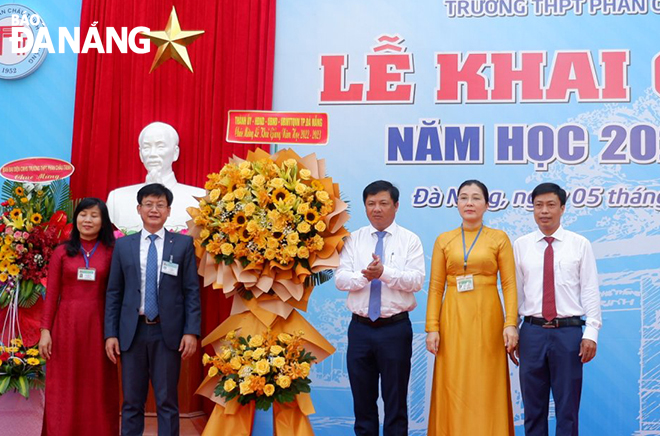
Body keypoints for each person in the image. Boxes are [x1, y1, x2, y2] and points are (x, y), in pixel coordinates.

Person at [104, 183, 201, 436]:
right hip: (132, 333)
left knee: (167, 401)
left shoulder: (182, 245)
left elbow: (191, 291)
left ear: (168, 211)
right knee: (131, 402)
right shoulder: (124, 246)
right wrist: (110, 334)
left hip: (167, 334)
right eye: (148, 204)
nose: (154, 209)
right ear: (139, 209)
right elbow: (114, 293)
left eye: (160, 205)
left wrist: (191, 331)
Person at [425, 179, 518, 436]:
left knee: (486, 383)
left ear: (487, 205)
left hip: (489, 318)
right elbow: (435, 288)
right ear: (456, 204)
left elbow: (509, 285)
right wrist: (432, 327)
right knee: (453, 382)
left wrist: (511, 323)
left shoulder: (499, 238)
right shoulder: (444, 240)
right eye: (464, 197)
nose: (469, 203)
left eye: (476, 198)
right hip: (452, 319)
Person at [335, 180, 425, 436]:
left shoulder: (410, 240)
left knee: (395, 402)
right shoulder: (353, 239)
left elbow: (415, 281)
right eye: (371, 203)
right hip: (360, 329)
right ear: (365, 207)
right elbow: (341, 279)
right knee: (363, 403)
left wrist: (384, 272)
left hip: (394, 329)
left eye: (383, 203)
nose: (377, 209)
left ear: (396, 206)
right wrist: (366, 276)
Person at [513, 182, 602, 436]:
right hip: (532, 332)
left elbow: (590, 289)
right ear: (532, 209)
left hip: (568, 334)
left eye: (551, 205)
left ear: (562, 208)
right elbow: (516, 292)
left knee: (567, 410)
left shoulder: (579, 244)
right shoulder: (521, 245)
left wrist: (591, 333)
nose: (544, 211)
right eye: (538, 205)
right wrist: (512, 329)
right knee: (533, 409)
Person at [39, 197, 119, 436]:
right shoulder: (62, 252)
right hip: (66, 327)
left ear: (103, 221)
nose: (88, 220)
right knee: (64, 383)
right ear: (76, 219)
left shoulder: (111, 251)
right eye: (84, 214)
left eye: (94, 215)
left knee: (97, 383)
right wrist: (45, 331)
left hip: (99, 326)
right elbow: (52, 294)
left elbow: (116, 294)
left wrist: (113, 332)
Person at [106, 121, 205, 232]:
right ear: (140, 154)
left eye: (160, 147)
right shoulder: (117, 198)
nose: (152, 154)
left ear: (175, 152)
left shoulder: (199, 198)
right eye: (147, 147)